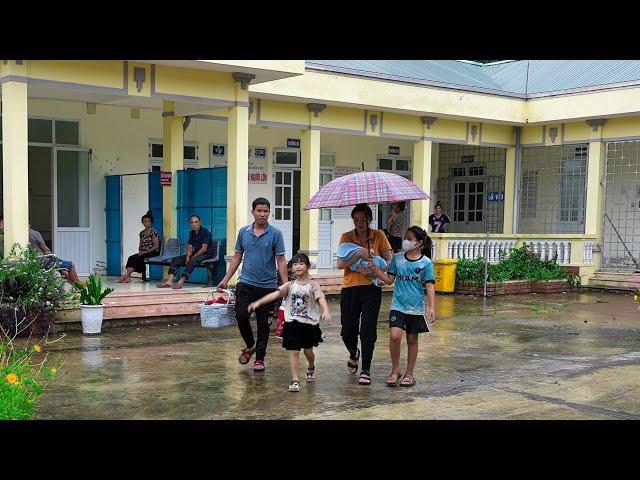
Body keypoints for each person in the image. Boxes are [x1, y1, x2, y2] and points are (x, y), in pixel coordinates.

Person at [217, 198, 288, 372]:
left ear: (269, 213)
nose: (262, 214)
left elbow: (281, 260)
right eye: (259, 211)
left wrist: (286, 285)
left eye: (265, 211)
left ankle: (259, 359)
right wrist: (225, 279)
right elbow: (236, 257)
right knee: (241, 316)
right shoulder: (243, 232)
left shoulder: (276, 234)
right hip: (246, 283)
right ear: (253, 212)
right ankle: (250, 345)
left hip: (267, 287)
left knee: (264, 325)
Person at [247, 253, 330, 392]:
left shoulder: (313, 285)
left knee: (308, 352)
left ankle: (311, 366)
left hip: (309, 324)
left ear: (308, 267)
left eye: (301, 263)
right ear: (291, 268)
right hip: (292, 323)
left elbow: (320, 297)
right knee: (294, 352)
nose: (297, 266)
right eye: (295, 264)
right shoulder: (289, 285)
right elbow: (275, 294)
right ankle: (295, 380)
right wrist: (258, 302)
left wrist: (325, 310)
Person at [368, 226, 436, 387]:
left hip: (416, 307)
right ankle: (395, 369)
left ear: (419, 243)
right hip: (398, 305)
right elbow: (389, 279)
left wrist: (431, 307)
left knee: (412, 339)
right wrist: (376, 270)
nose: (406, 241)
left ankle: (409, 374)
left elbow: (430, 285)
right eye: (405, 237)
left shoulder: (426, 263)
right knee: (394, 336)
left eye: (410, 238)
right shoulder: (398, 259)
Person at [337, 203, 393, 385]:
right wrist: (360, 253)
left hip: (371, 289)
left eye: (363, 219)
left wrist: (375, 270)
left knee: (368, 330)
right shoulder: (346, 237)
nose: (360, 223)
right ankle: (354, 353)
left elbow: (389, 261)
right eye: (356, 220)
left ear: (370, 219)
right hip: (350, 288)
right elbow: (340, 264)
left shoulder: (378, 236)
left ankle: (366, 369)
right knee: (347, 330)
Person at [157, 215, 213, 289]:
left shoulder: (205, 232)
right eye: (192, 222)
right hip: (195, 254)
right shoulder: (192, 233)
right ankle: (170, 281)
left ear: (199, 222)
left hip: (206, 254)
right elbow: (189, 246)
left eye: (196, 222)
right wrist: (187, 257)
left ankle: (180, 282)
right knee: (175, 259)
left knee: (192, 261)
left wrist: (191, 257)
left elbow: (204, 249)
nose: (194, 224)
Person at [117, 211, 160, 283]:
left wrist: (145, 252)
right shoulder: (142, 233)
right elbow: (140, 245)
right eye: (145, 221)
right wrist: (140, 251)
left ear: (151, 222)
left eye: (148, 221)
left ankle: (125, 275)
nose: (146, 223)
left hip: (153, 251)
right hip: (144, 252)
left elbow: (156, 246)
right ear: (142, 222)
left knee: (138, 257)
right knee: (131, 257)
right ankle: (128, 277)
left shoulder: (153, 231)